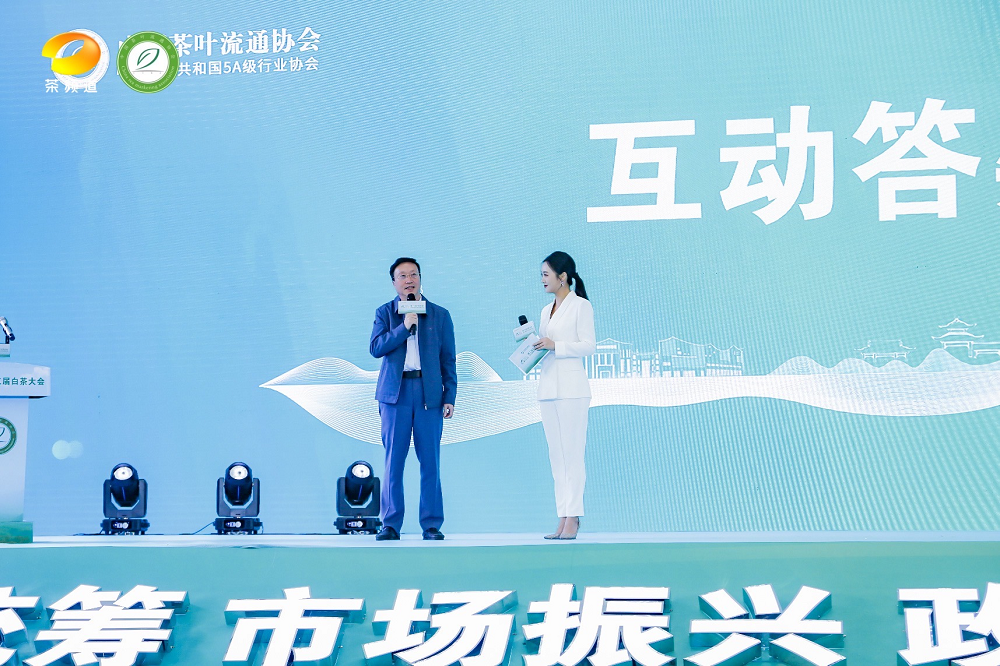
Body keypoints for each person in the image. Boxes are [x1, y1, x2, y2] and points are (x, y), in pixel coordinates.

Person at [370, 257, 457, 541]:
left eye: (413, 274)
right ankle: (390, 524)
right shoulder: (385, 313)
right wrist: (404, 327)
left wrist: (450, 395)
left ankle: (431, 524)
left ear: (420, 278)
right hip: (394, 395)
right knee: (393, 461)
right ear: (394, 282)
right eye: (403, 276)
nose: (409, 280)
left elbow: (448, 359)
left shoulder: (439, 315)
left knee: (430, 461)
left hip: (429, 394)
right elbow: (376, 347)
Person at [532, 251, 595, 540]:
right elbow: (547, 347)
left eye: (546, 274)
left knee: (573, 455)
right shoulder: (546, 310)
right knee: (556, 457)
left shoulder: (581, 306)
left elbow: (588, 346)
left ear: (563, 277)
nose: (542, 280)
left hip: (572, 390)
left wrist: (556, 345)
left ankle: (574, 516)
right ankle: (562, 515)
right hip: (548, 388)